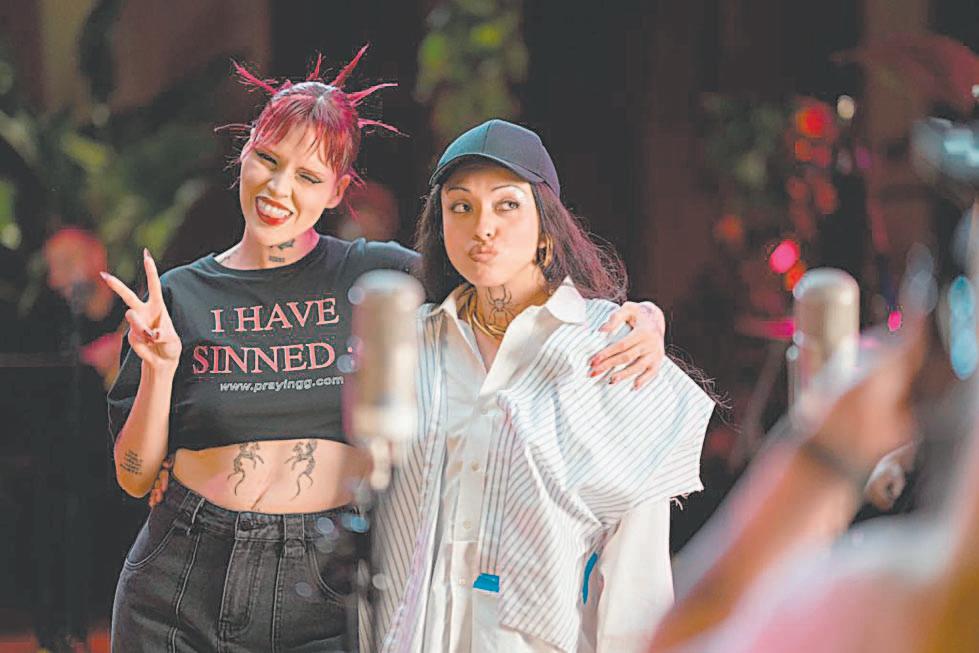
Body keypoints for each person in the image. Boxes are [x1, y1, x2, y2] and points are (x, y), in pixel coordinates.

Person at [101, 50, 670, 651]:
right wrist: (159, 369)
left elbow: (505, 286)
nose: (279, 188)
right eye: (267, 159)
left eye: (308, 176)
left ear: (338, 190)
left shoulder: (379, 278)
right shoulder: (179, 295)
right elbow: (135, 478)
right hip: (184, 574)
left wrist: (639, 318)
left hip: (324, 583)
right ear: (243, 154)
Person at [368, 120, 716, 653]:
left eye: (507, 205)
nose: (482, 227)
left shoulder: (613, 349)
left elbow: (636, 579)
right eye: (460, 207)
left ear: (546, 226)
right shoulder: (405, 347)